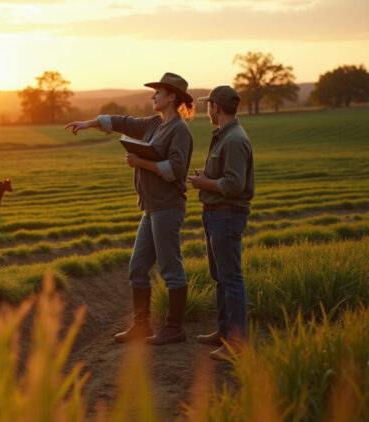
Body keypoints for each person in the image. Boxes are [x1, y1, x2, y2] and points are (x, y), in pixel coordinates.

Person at [65, 72, 194, 345]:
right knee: (137, 267)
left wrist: (141, 163)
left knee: (170, 267)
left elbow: (176, 170)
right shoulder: (154, 124)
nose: (152, 96)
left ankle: (174, 329)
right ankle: (141, 327)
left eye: (157, 92)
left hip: (167, 207)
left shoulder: (179, 130)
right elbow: (122, 121)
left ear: (172, 96)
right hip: (151, 208)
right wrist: (88, 123)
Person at [188, 85, 254, 360]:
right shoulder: (225, 136)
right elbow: (225, 176)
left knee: (231, 279)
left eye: (208, 105)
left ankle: (237, 344)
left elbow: (235, 184)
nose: (207, 109)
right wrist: (208, 176)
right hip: (216, 214)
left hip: (227, 215)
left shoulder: (235, 140)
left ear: (215, 107)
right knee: (220, 278)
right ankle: (224, 331)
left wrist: (205, 183)